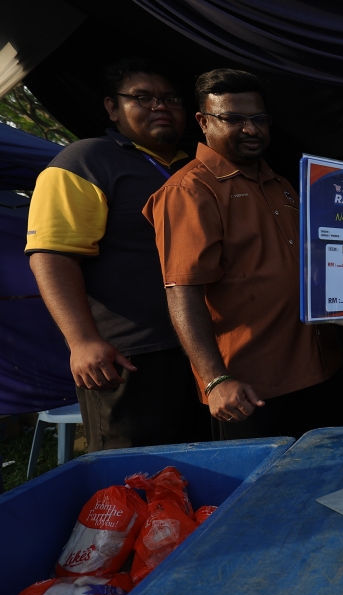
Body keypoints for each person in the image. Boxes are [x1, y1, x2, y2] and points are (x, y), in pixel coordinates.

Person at [145, 69, 343, 439]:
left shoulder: (282, 184)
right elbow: (181, 292)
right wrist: (215, 380)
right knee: (269, 493)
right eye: (233, 119)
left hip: (323, 372)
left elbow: (324, 280)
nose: (250, 129)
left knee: (337, 484)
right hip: (252, 390)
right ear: (203, 121)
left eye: (258, 119)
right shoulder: (190, 191)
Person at [26, 58, 207, 451]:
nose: (160, 106)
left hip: (204, 350)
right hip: (129, 359)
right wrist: (82, 340)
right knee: (138, 481)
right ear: (112, 107)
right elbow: (51, 255)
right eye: (142, 97)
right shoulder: (85, 160)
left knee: (207, 476)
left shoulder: (196, 167)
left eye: (170, 99)